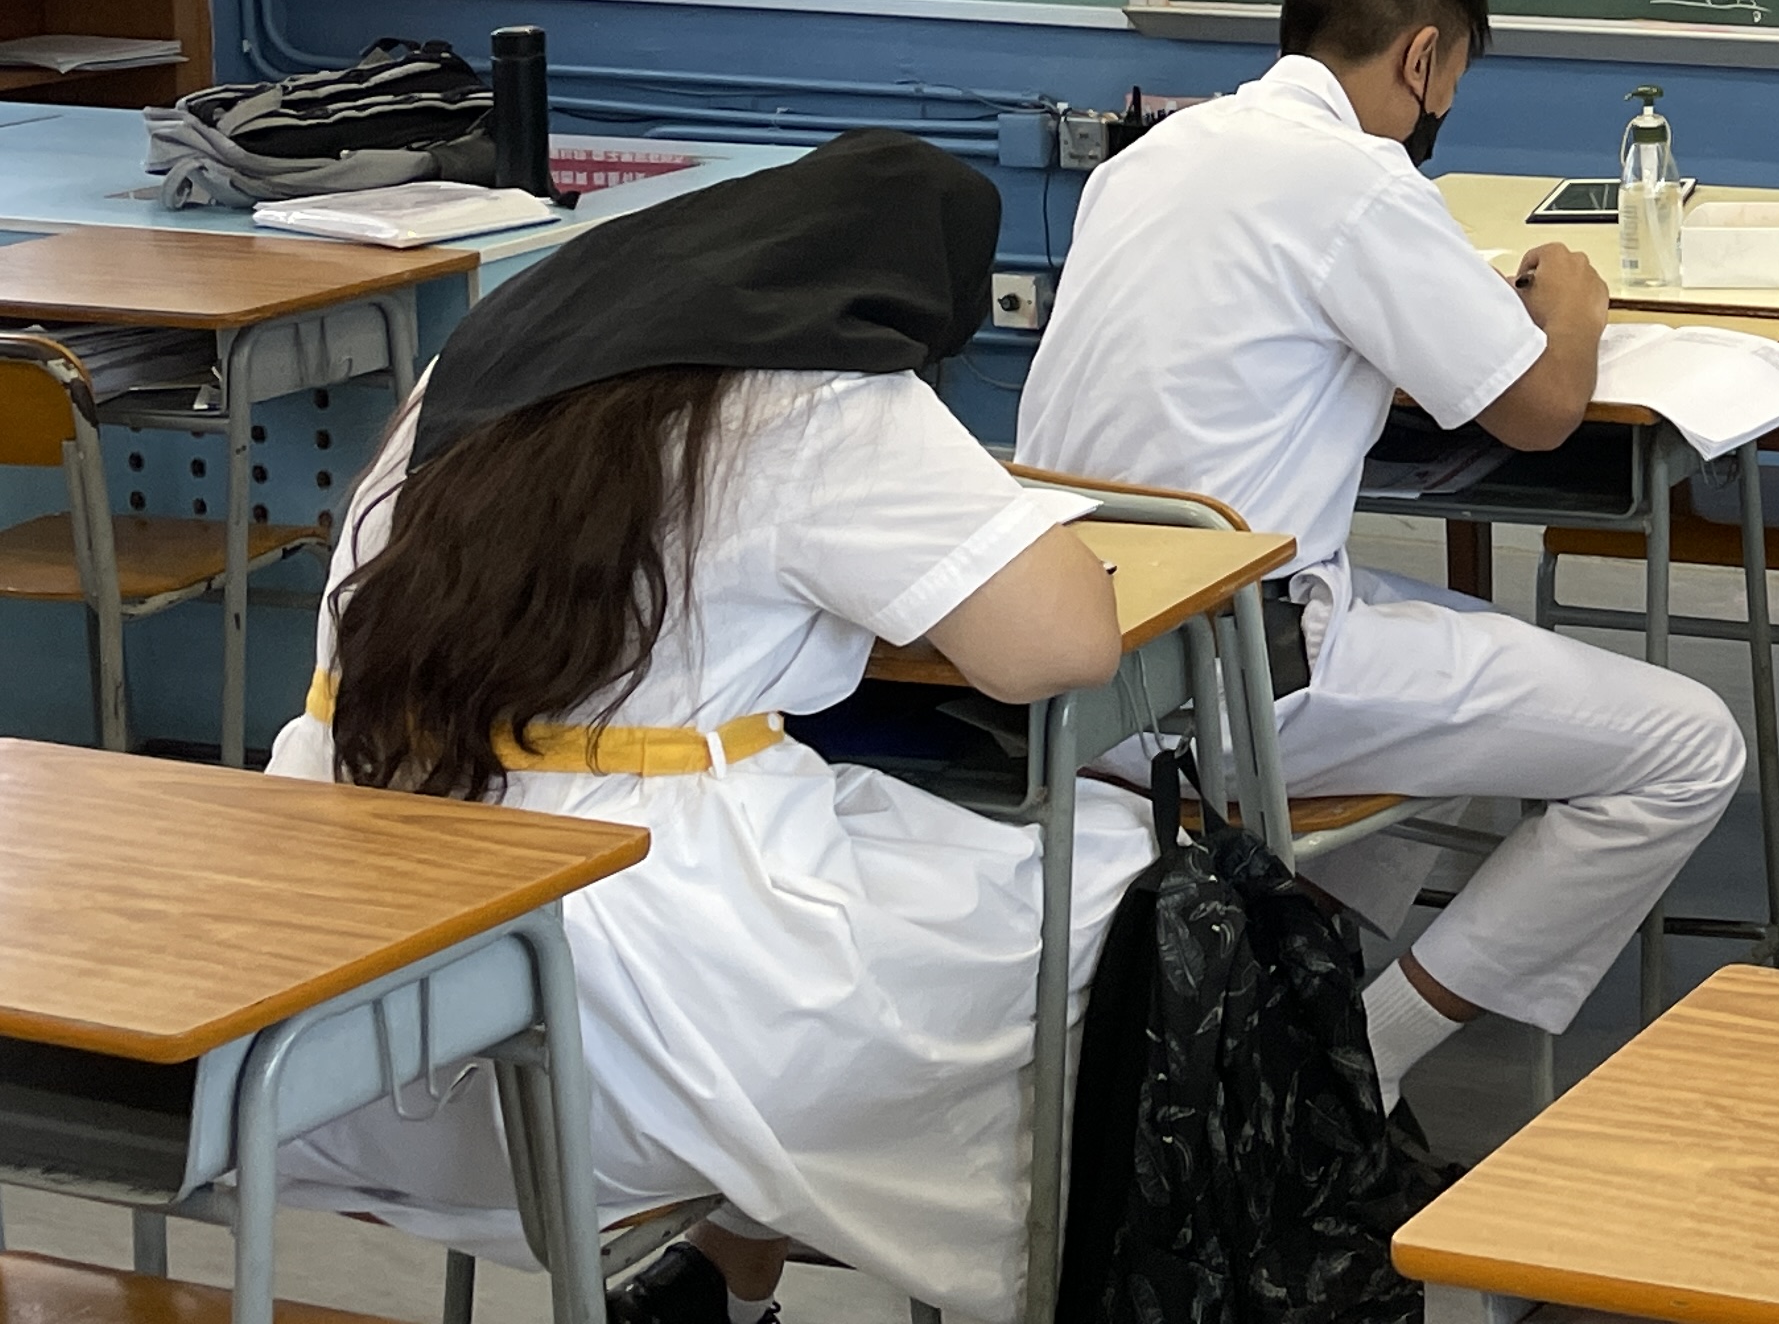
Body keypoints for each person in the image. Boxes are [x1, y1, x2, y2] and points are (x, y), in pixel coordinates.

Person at [273, 133, 1141, 1324]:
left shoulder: (480, 353)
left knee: (879, 851)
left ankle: (730, 1280)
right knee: (1110, 891)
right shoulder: (822, 392)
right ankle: (1042, 1279)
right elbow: (1058, 648)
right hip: (626, 997)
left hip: (334, 986)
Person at [1017, 0, 1745, 1099]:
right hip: (1236, 682)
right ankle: (1366, 1063)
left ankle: (1285, 985)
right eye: (1452, 78)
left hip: (1076, 660)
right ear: (1422, 58)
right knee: (1689, 746)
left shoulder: (1149, 162)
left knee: (1459, 657)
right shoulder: (1358, 181)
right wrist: (1573, 304)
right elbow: (1539, 412)